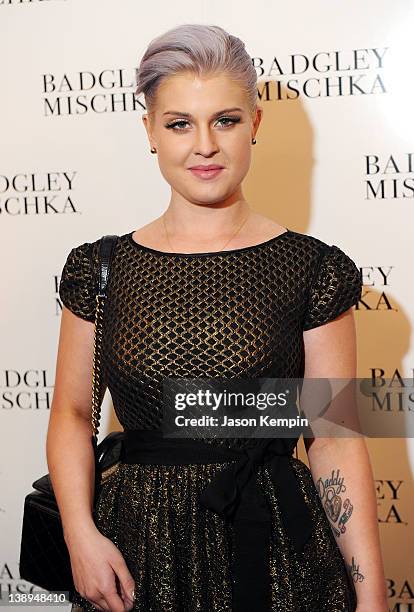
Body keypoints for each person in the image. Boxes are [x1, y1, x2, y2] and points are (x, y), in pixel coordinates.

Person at [47, 23, 388, 612]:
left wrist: (372, 596)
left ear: (255, 124)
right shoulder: (100, 268)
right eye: (180, 123)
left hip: (278, 542)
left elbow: (334, 437)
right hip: (137, 550)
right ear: (150, 131)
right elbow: (73, 414)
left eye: (225, 120)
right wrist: (80, 536)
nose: (204, 145)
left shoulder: (313, 269)